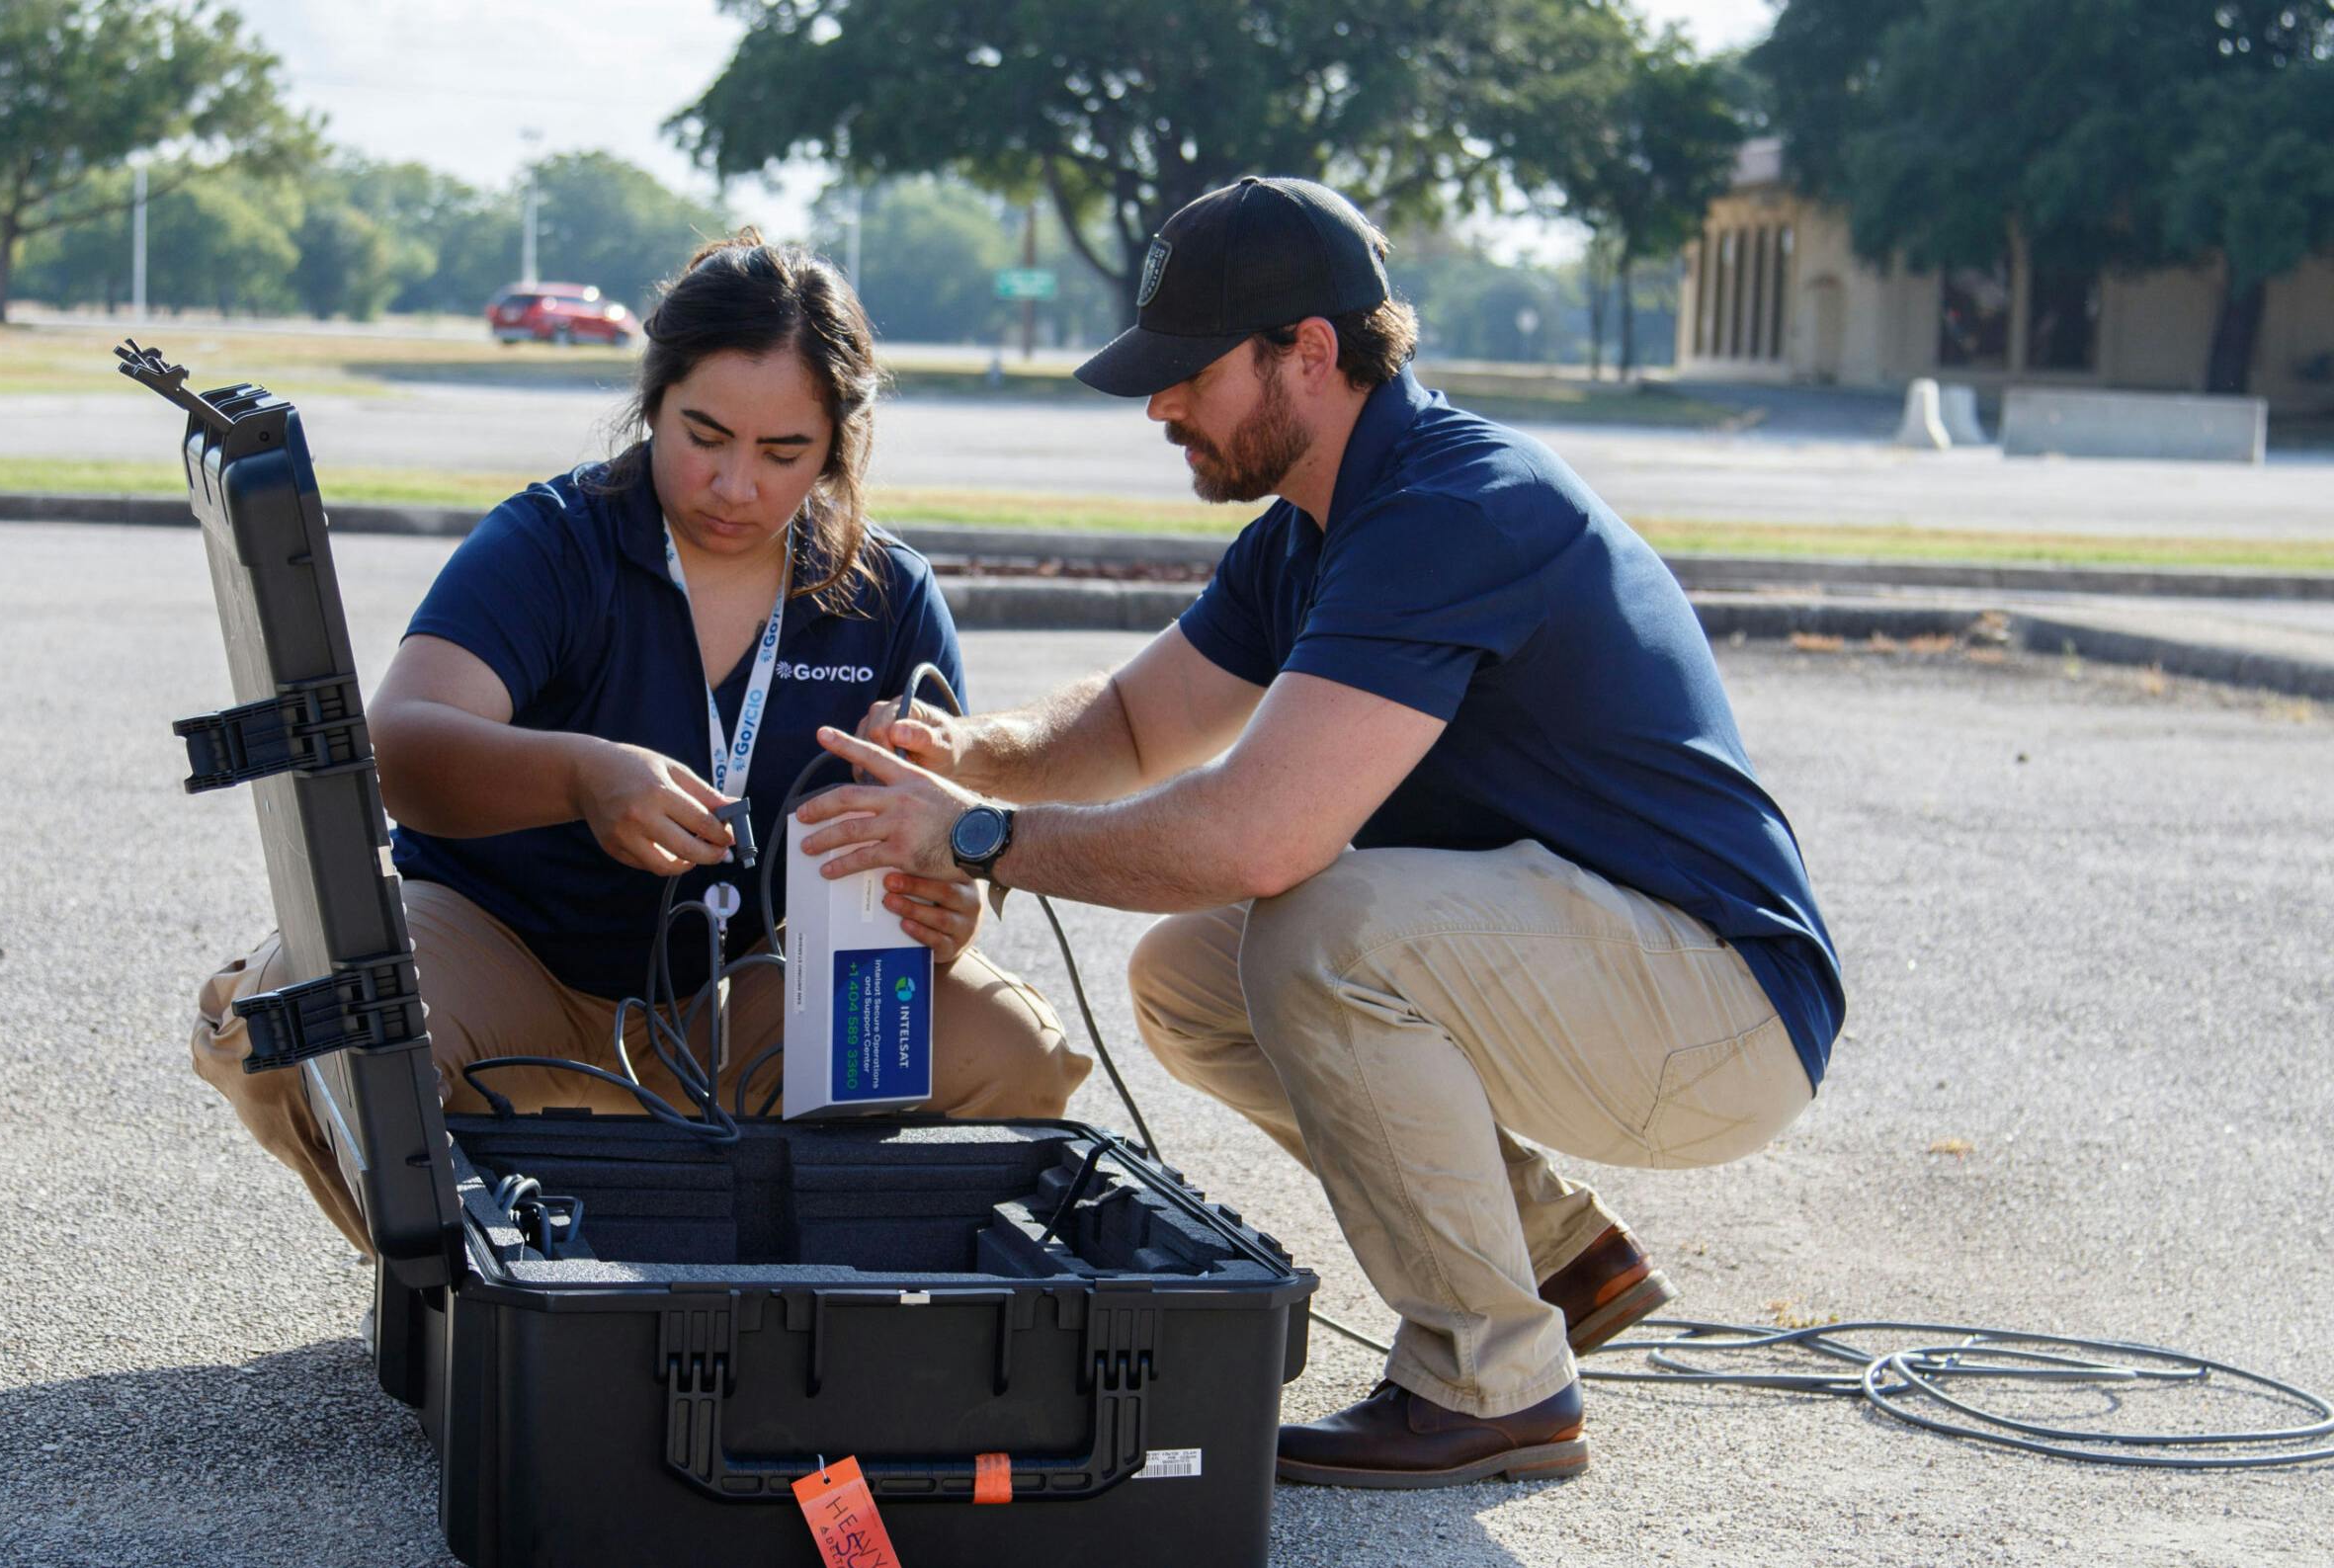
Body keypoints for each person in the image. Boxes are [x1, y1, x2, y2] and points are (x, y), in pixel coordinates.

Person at [788, 178, 1846, 1488]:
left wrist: (981, 837)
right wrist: (969, 752)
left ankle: (1489, 1380)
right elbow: (1132, 723)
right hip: (1613, 968)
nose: (1160, 404)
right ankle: (1556, 1255)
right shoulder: (1316, 525)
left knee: (1315, 925)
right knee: (1191, 975)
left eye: (1187, 372)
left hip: (1720, 1006)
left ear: (1311, 350)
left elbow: (1257, 837)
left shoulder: (1451, 507)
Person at [192, 233, 1091, 1254]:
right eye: (702, 434)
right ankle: (463, 1290)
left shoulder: (886, 597)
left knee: (1008, 1050)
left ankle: (795, 1303)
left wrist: (944, 903)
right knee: (310, 1017)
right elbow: (400, 746)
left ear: (839, 445)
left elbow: (925, 840)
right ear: (653, 399)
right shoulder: (552, 541)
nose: (733, 484)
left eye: (783, 452)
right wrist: (579, 777)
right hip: (504, 973)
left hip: (742, 992)